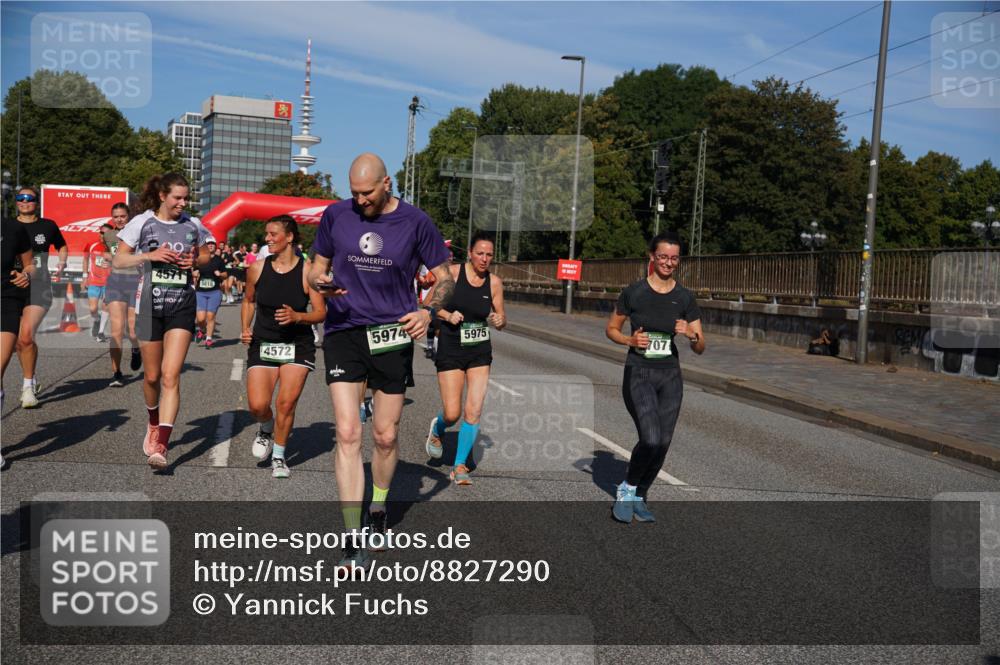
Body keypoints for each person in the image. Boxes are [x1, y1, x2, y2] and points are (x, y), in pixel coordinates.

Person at [308, 152, 453, 569]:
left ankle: (378, 505)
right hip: (344, 331)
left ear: (387, 183)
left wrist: (427, 311)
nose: (360, 200)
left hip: (392, 334)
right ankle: (352, 536)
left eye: (367, 193)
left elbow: (445, 278)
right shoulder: (336, 215)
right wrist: (319, 281)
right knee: (348, 432)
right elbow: (315, 268)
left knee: (386, 436)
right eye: (354, 192)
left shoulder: (415, 222)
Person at [113, 173, 212, 469]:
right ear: (162, 196)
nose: (183, 203)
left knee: (171, 376)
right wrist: (150, 256)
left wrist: (195, 260)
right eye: (177, 198)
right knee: (152, 377)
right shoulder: (142, 222)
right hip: (148, 305)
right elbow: (119, 259)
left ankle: (162, 446)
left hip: (182, 305)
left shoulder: (193, 224)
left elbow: (206, 254)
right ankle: (153, 421)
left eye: (186, 198)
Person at [606, 232, 705, 523]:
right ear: (652, 257)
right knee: (650, 438)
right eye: (663, 256)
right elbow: (611, 328)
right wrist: (629, 340)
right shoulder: (634, 292)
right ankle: (627, 488)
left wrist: (691, 334)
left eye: (674, 258)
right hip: (639, 372)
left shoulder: (684, 297)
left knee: (663, 441)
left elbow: (700, 346)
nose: (668, 262)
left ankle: (640, 494)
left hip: (670, 375)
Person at [241, 215, 326, 479]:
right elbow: (249, 300)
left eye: (273, 234)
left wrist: (298, 316)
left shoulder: (307, 271)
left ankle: (279, 456)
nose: (267, 238)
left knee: (286, 403)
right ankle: (266, 426)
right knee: (258, 405)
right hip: (264, 342)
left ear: (289, 237)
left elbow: (321, 312)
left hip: (297, 344)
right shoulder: (257, 268)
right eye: (266, 234)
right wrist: (245, 328)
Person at [424, 231, 506, 485]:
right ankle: (438, 429)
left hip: (479, 350)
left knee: (474, 411)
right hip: (451, 347)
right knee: (452, 413)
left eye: (489, 255)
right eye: (479, 253)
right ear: (470, 253)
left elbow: (501, 317)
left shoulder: (494, 283)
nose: (484, 259)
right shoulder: (452, 274)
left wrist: (500, 320)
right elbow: (429, 305)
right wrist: (447, 316)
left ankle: (460, 466)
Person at [13, 186, 67, 408]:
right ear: (16, 201)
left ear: (37, 202)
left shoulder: (48, 225)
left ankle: (27, 387)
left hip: (39, 285)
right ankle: (32, 377)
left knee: (26, 336)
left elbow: (61, 246)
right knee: (18, 340)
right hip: (11, 286)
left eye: (30, 198)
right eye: (21, 197)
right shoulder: (7, 225)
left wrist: (62, 262)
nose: (25, 201)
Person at [103, 202, 143, 387]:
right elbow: (107, 253)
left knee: (132, 331)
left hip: (135, 282)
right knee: (116, 331)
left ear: (129, 216)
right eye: (116, 217)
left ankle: (136, 348)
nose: (119, 220)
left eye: (123, 216)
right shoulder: (109, 235)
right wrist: (107, 259)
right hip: (115, 282)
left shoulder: (138, 233)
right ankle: (116, 373)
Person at [194, 239, 227, 348]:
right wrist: (195, 272)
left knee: (210, 316)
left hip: (215, 292)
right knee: (200, 319)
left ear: (215, 246)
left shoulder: (219, 260)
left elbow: (225, 275)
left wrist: (220, 274)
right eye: (208, 244)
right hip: (201, 292)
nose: (211, 245)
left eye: (213, 244)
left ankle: (208, 339)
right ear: (206, 247)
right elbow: (194, 271)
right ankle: (202, 330)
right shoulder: (201, 259)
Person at [83, 226, 113, 342]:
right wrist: (84, 277)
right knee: (93, 308)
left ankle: (100, 333)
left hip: (109, 282)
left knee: (106, 306)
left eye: (106, 233)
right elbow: (85, 260)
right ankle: (97, 320)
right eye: (101, 232)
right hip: (94, 281)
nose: (103, 235)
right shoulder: (91, 245)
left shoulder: (114, 247)